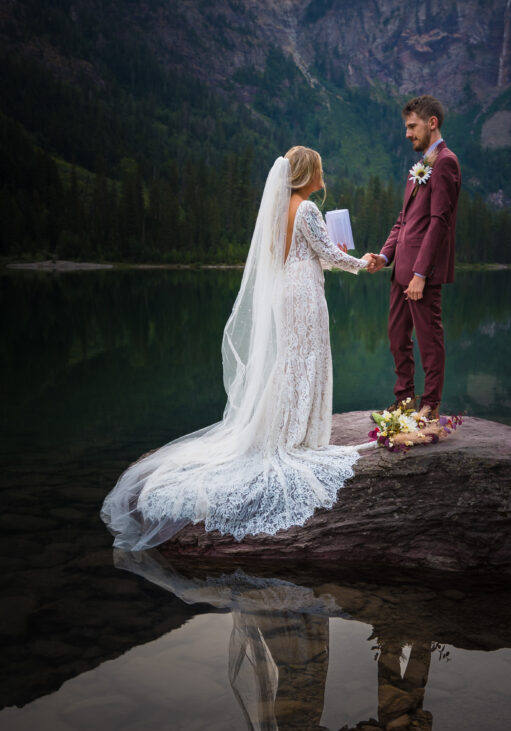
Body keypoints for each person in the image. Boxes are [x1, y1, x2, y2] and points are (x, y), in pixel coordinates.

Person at [101, 147, 373, 552]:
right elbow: (327, 255)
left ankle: (288, 427)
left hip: (287, 289)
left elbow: (302, 255)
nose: (323, 173)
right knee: (310, 356)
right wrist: (363, 262)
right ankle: (299, 433)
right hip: (304, 292)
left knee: (293, 358)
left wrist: (335, 260)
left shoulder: (282, 209)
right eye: (319, 168)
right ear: (307, 173)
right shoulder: (309, 210)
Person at [367, 95, 461, 420]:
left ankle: (430, 405)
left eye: (412, 126)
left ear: (431, 122)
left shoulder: (446, 162)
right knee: (397, 338)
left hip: (422, 273)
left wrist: (421, 273)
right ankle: (404, 399)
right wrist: (383, 256)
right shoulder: (420, 167)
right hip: (400, 271)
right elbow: (402, 220)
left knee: (429, 339)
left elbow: (439, 222)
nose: (407, 134)